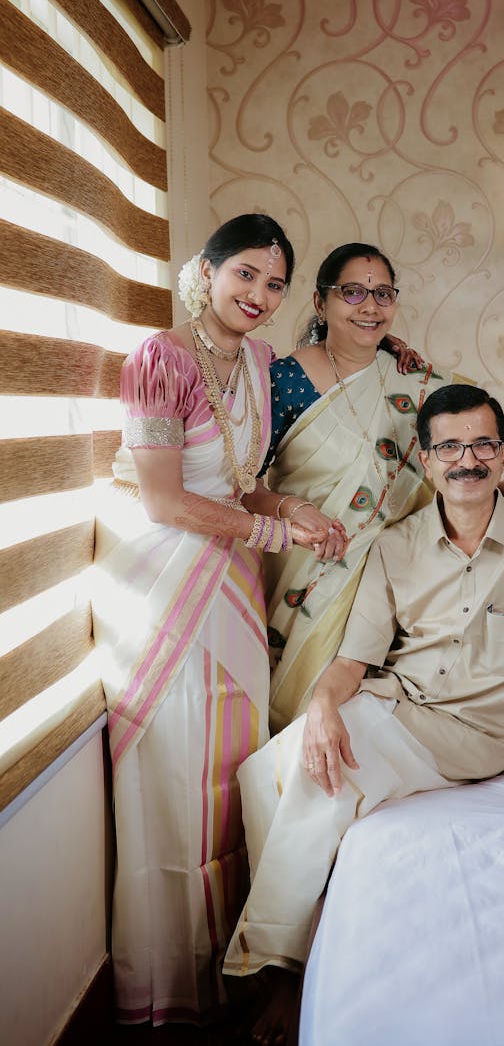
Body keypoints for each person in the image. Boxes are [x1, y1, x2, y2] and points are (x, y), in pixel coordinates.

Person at [223, 383, 504, 1045]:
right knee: (264, 769)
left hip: (478, 733)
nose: (468, 459)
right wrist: (320, 704)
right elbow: (351, 664)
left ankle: (275, 972)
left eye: (483, 443)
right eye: (449, 445)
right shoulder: (395, 545)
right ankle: (300, 942)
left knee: (322, 773)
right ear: (426, 459)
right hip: (399, 703)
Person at [92, 214, 347, 1027]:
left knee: (232, 773)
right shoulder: (158, 359)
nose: (259, 295)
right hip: (164, 586)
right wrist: (271, 530)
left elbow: (244, 483)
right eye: (245, 273)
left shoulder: (263, 363)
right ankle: (174, 985)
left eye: (274, 283)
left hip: (233, 579)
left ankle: (231, 966)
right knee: (176, 770)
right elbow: (164, 499)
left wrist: (292, 507)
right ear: (205, 271)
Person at [259, 242, 504, 733]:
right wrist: (296, 510)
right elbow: (242, 485)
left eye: (383, 293)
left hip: (383, 574)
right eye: (353, 292)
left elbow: (451, 455)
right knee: (294, 711)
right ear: (322, 303)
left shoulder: (411, 379)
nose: (370, 306)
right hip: (304, 567)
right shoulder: (282, 380)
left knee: (358, 705)